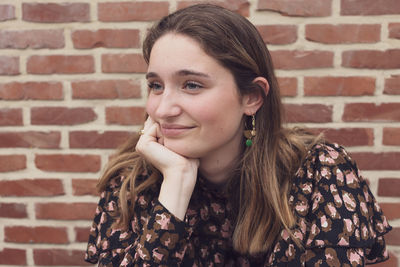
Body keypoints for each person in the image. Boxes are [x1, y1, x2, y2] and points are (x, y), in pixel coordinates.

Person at [85, 4, 391, 266]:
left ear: (252, 97)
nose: (163, 109)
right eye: (155, 85)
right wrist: (174, 190)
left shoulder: (318, 173)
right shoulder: (131, 181)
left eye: (191, 84)